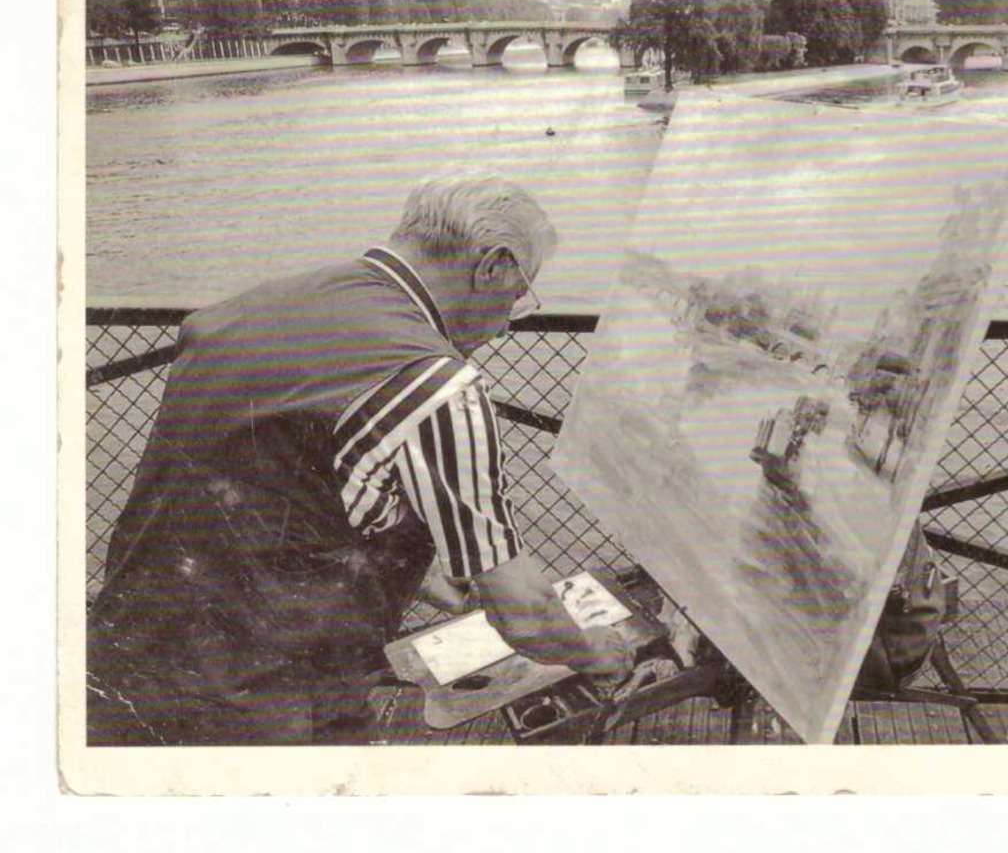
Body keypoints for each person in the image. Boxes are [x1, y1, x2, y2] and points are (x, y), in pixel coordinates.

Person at [87, 172, 635, 745]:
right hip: (264, 701)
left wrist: (420, 575)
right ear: (492, 266)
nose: (503, 325)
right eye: (516, 296)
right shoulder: (436, 383)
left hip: (125, 663)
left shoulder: (249, 309)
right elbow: (525, 611)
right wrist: (596, 653)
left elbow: (277, 487)